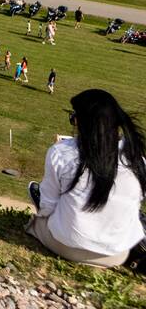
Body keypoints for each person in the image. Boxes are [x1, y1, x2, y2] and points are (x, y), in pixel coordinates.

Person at [25, 89, 146, 268]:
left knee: (38, 221)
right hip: (116, 254)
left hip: (65, 245)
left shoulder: (61, 152)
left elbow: (47, 207)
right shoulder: (136, 159)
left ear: (82, 121)